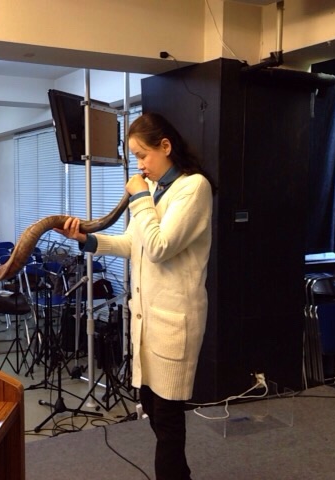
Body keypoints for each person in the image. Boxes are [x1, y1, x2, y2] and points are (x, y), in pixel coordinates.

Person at [55, 112, 215, 480]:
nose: (140, 165)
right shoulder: (156, 192)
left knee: (168, 420)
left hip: (174, 322)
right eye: (135, 158)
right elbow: (133, 244)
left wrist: (140, 196)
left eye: (143, 155)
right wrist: (85, 239)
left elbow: (159, 247)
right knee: (151, 408)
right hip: (147, 322)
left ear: (166, 146)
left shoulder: (193, 188)